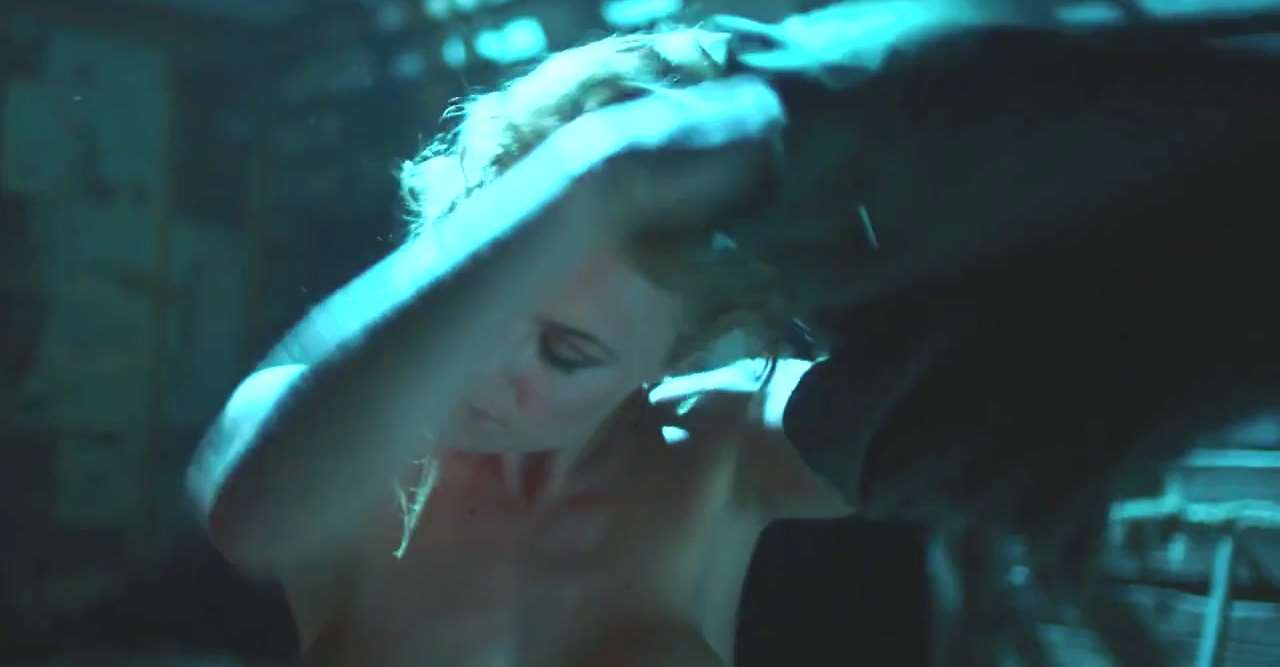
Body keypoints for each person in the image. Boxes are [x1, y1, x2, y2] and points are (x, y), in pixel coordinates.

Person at [185, 26, 854, 667]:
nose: (481, 365)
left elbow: (919, 405)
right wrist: (588, 184)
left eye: (563, 353)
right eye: (480, 300)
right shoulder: (335, 436)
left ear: (679, 352)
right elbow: (254, 521)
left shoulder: (727, 442)